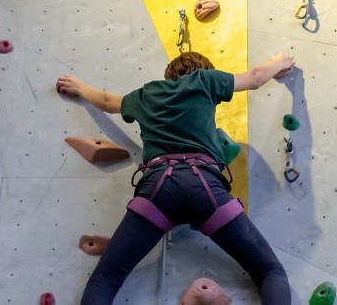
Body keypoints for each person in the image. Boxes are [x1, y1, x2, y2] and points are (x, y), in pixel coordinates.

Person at [56, 51, 296, 305]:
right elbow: (255, 78)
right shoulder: (205, 80)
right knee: (270, 271)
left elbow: (106, 101)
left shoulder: (147, 94)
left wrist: (79, 86)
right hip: (205, 188)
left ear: (168, 75)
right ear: (205, 69)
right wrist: (279, 62)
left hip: (158, 190)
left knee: (105, 279)